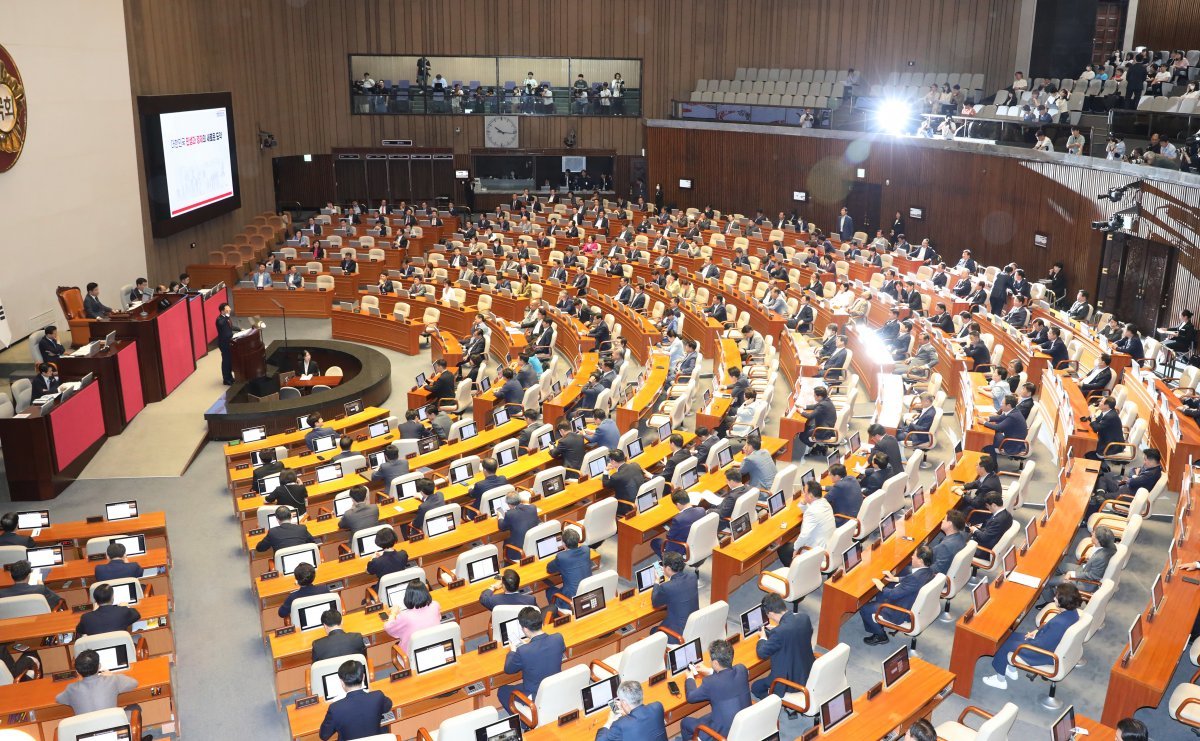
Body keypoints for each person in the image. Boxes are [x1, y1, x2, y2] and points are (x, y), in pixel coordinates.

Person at [983, 583, 1083, 689]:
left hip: (1041, 653)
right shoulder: (1072, 613)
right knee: (1009, 635)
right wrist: (1037, 632)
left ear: (1063, 602)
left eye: (1057, 597)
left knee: (1002, 643)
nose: (1054, 598)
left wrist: (1028, 640)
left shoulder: (1059, 623)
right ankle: (1011, 669)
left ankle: (1000, 680)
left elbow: (1043, 644)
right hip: (1046, 644)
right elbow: (1051, 634)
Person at [860, 545, 936, 645]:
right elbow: (911, 580)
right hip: (911, 601)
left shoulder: (915, 578)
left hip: (901, 612)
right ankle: (878, 618)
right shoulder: (928, 571)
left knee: (865, 608)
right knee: (884, 590)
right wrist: (895, 578)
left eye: (914, 555)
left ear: (920, 560)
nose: (912, 557)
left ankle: (880, 635)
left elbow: (892, 595)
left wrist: (881, 586)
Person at [497, 605, 566, 712]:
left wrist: (513, 651)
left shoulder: (523, 651)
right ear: (541, 622)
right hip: (555, 688)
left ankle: (525, 722)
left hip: (535, 695)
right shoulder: (558, 638)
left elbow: (508, 669)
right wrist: (529, 645)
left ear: (525, 629)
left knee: (502, 691)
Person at [680, 639, 752, 741]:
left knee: (685, 722)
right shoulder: (742, 669)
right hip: (744, 723)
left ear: (715, 663)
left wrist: (689, 677)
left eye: (710, 660)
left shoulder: (710, 683)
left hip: (722, 734)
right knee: (707, 717)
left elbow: (691, 697)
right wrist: (709, 670)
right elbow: (727, 677)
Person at [752, 593, 815, 698]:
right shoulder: (804, 618)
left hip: (788, 681)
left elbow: (761, 653)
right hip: (807, 671)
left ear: (771, 613)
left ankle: (774, 699)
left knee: (755, 687)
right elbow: (794, 633)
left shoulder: (779, 632)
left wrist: (763, 636)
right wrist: (777, 629)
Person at [317, 660, 393, 741]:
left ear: (342, 682)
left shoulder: (335, 708)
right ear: (363, 677)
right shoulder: (378, 696)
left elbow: (324, 736)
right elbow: (388, 706)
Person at [55, 649, 138, 714]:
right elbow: (134, 683)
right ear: (99, 666)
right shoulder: (112, 680)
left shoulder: (71, 689)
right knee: (135, 707)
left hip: (86, 733)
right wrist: (112, 675)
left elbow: (58, 699)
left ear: (77, 671)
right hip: (113, 728)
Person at [777, 480, 836, 567]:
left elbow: (804, 535)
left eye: (805, 492)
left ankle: (796, 572)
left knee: (782, 549)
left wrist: (795, 550)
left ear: (810, 495)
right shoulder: (825, 502)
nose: (803, 495)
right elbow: (813, 515)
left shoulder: (812, 512)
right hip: (828, 545)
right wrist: (803, 504)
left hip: (815, 550)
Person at [651, 551, 699, 643]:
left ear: (668, 568)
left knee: (653, 631)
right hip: (692, 627)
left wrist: (657, 582)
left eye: (664, 566)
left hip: (677, 634)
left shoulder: (666, 587)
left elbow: (655, 602)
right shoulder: (693, 577)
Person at [596, 680, 668, 741]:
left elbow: (600, 739)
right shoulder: (657, 707)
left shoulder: (621, 725)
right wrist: (628, 714)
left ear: (624, 702)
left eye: (620, 700)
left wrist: (609, 722)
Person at [382, 580, 441, 655]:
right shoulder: (435, 605)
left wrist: (393, 613)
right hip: (435, 650)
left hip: (412, 656)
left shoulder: (405, 616)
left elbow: (388, 627)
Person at [544, 527, 592, 608]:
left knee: (549, 591)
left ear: (563, 544)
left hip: (571, 600)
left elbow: (549, 569)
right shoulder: (586, 550)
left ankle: (556, 614)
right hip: (588, 592)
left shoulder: (561, 557)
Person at [651, 488, 705, 558]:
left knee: (655, 542)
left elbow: (669, 536)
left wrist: (670, 528)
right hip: (699, 544)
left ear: (678, 504)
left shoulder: (678, 519)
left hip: (683, 548)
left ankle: (669, 564)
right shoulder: (701, 510)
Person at [76, 582, 141, 636]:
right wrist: (126, 606)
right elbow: (137, 615)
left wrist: (93, 612)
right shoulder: (123, 611)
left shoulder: (86, 618)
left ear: (95, 601)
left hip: (96, 650)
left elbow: (79, 630)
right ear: (112, 598)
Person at [498, 491, 539, 563]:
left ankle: (507, 565)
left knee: (506, 541)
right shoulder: (533, 507)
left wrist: (500, 516)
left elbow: (502, 527)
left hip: (519, 553)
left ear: (509, 504)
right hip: (534, 546)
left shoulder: (510, 514)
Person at [796, 386, 837, 458]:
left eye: (815, 395)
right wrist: (804, 406)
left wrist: (801, 412)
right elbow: (815, 406)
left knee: (802, 436)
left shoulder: (822, 405)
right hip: (827, 426)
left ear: (819, 396)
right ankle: (819, 446)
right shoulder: (826, 400)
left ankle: (817, 448)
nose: (814, 396)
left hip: (823, 431)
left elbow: (810, 416)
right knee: (807, 427)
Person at [216, 302, 235, 385]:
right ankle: (226, 379)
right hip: (224, 344)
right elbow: (222, 324)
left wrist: (240, 329)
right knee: (226, 361)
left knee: (230, 360)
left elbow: (230, 327)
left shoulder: (226, 318)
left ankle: (230, 377)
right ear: (222, 311)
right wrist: (227, 316)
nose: (229, 310)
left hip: (230, 342)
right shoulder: (219, 319)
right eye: (227, 309)